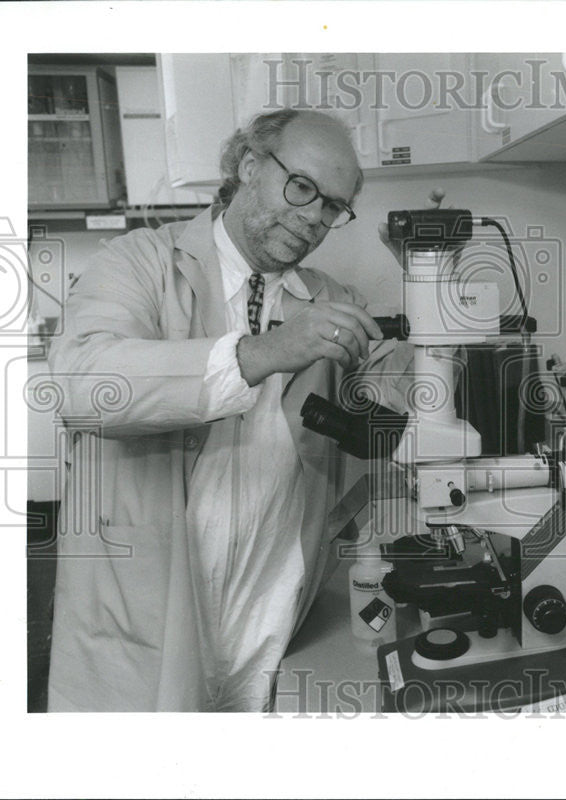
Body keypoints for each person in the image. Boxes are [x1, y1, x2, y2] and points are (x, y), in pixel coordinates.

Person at [47, 110, 415, 711]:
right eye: (301, 188)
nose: (313, 218)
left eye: (332, 207)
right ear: (248, 166)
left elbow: (393, 404)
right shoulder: (140, 263)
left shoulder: (333, 302)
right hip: (152, 624)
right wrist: (264, 352)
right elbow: (83, 384)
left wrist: (432, 294)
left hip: (272, 623)